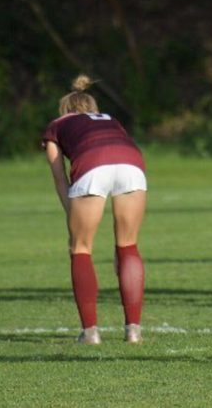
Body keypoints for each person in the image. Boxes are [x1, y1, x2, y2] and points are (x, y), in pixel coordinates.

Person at [42, 75, 148, 345]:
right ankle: (133, 330)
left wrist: (71, 213)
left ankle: (90, 332)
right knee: (128, 246)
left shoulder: (56, 126)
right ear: (92, 107)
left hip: (92, 166)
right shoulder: (110, 118)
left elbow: (58, 175)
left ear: (65, 110)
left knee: (80, 248)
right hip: (132, 165)